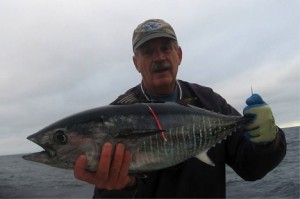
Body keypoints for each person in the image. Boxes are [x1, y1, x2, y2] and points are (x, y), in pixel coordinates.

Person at [73, 19, 286, 198]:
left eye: (166, 48)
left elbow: (251, 168)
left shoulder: (209, 102)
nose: (159, 58)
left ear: (179, 55)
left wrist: (269, 143)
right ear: (136, 63)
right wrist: (120, 189)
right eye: (148, 52)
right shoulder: (114, 117)